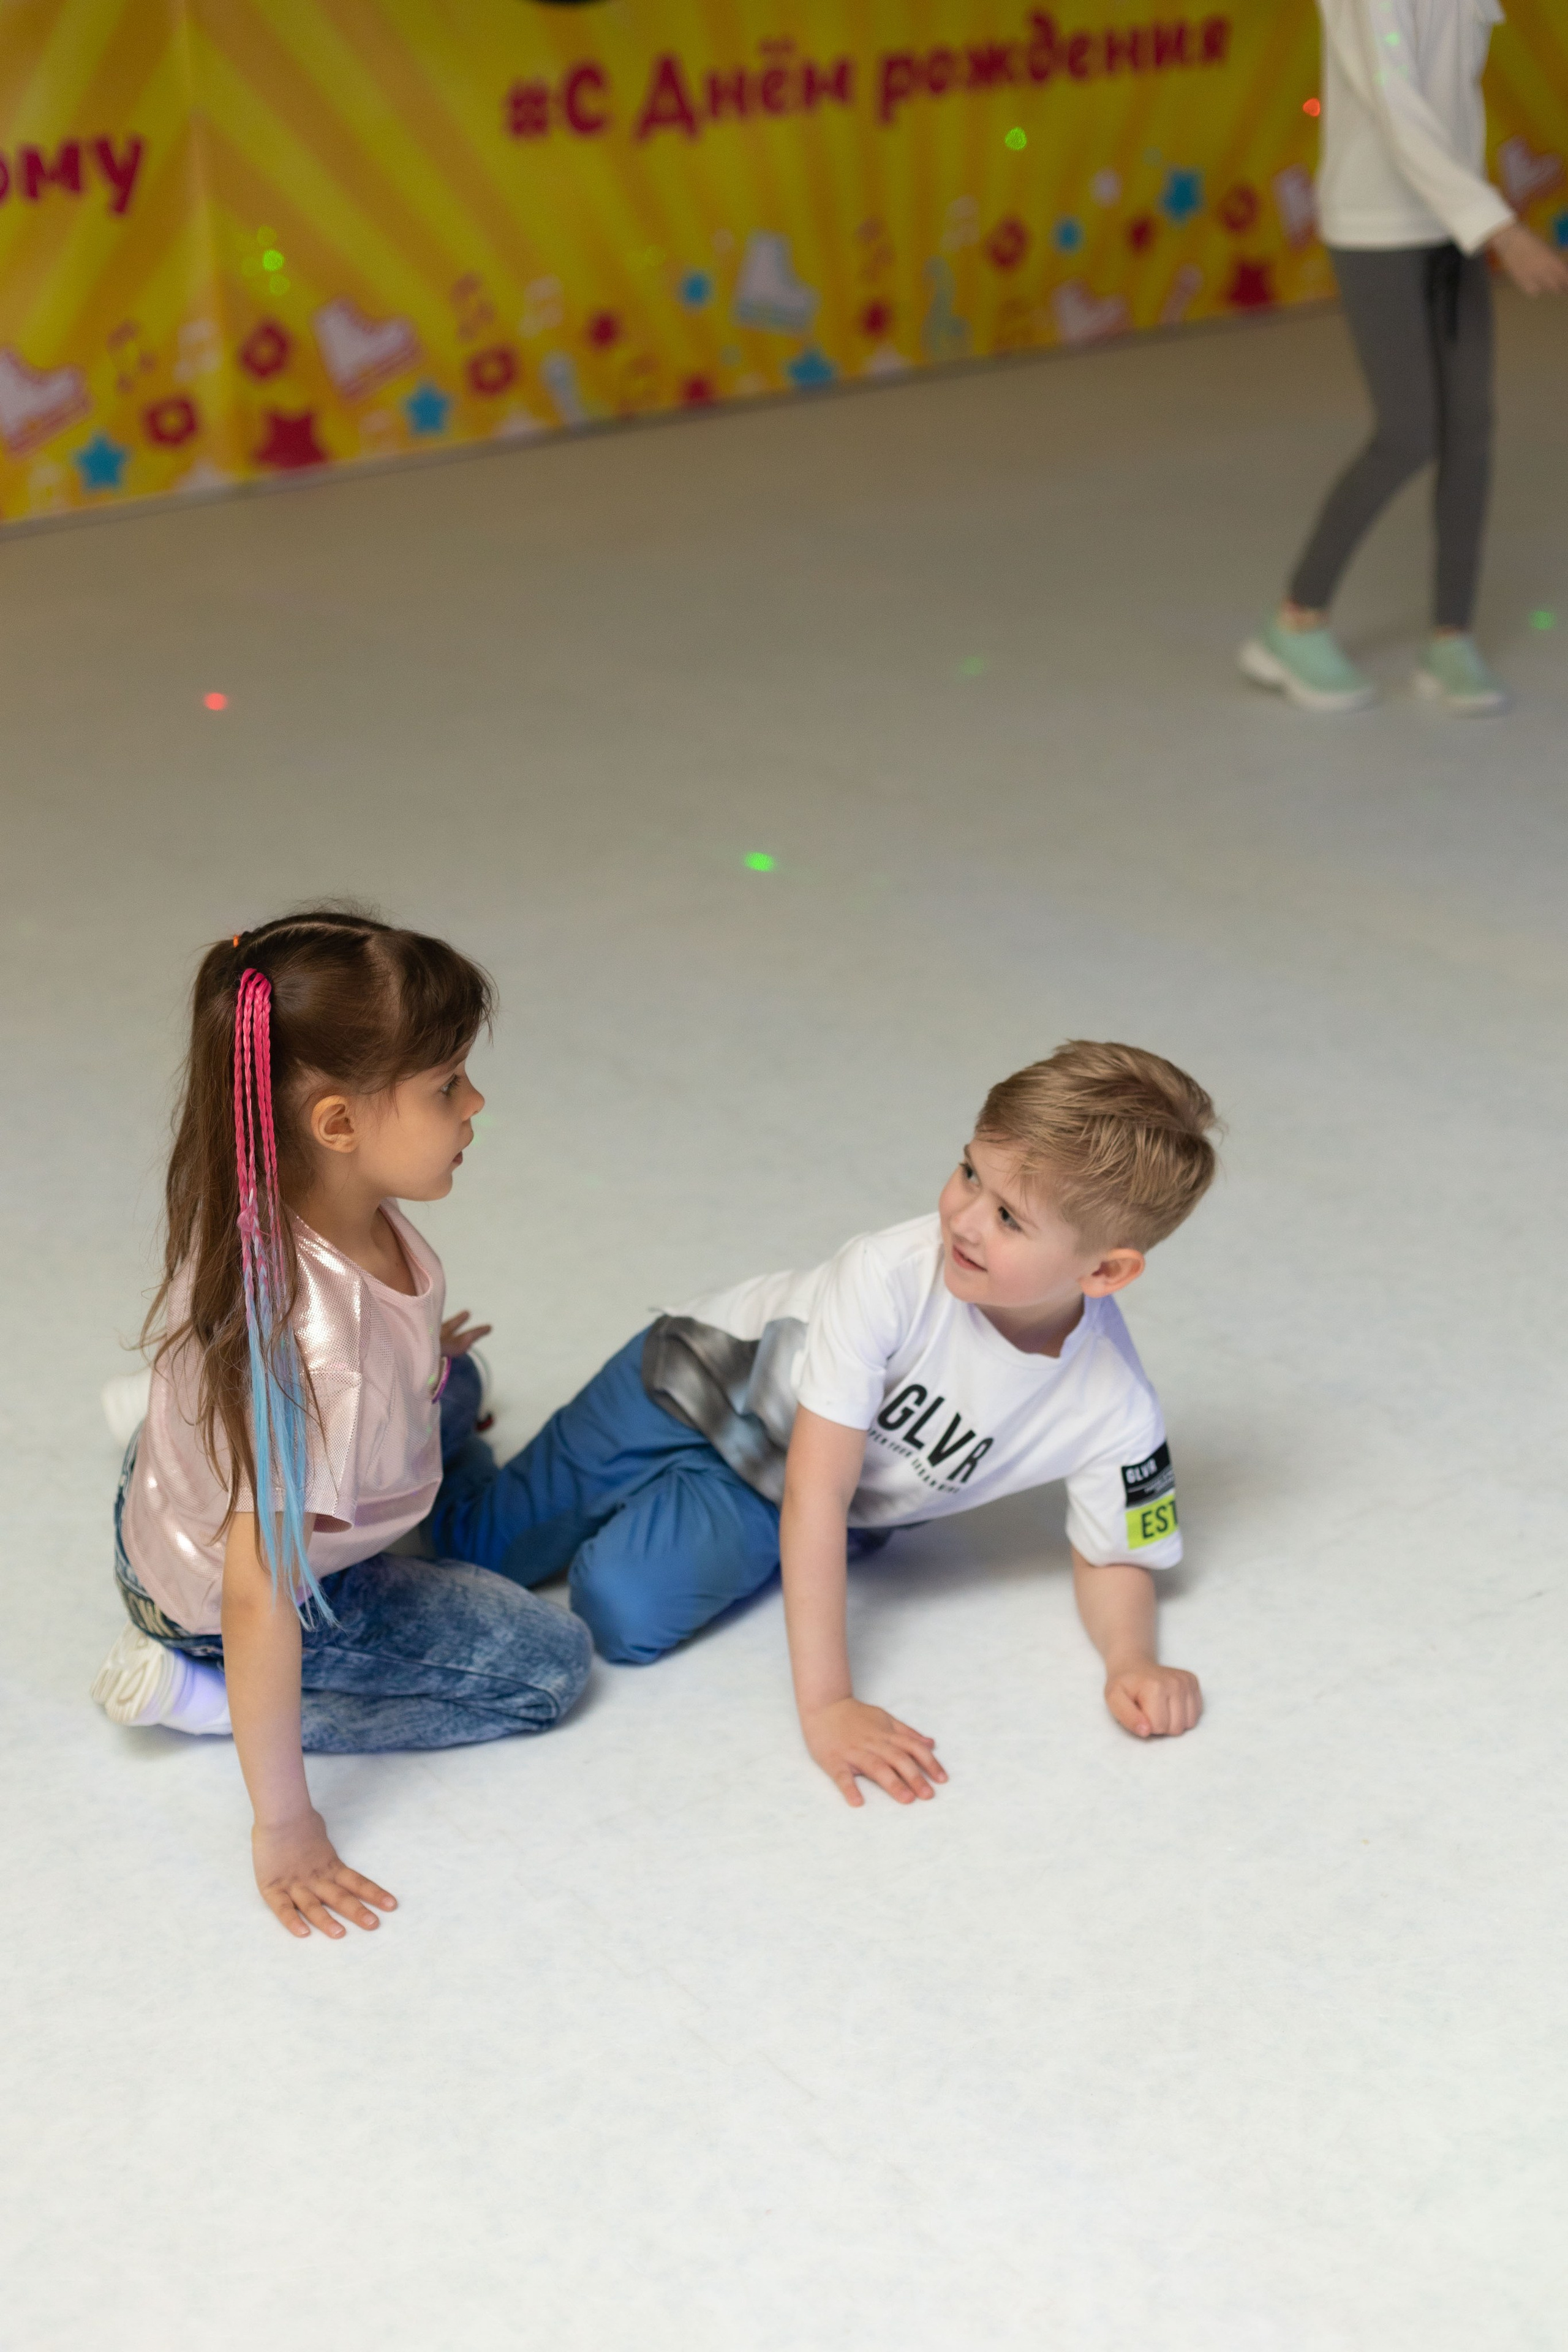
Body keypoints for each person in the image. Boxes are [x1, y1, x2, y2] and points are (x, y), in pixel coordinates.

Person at [432, 1041, 1216, 1806]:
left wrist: (1132, 1661)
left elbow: (1115, 1555)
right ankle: (446, 1386)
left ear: (1105, 1271)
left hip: (773, 1487)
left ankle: (668, 1502)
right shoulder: (887, 1273)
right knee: (472, 1549)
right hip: (687, 1382)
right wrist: (828, 1704)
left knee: (620, 1616)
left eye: (1010, 1217)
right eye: (970, 1173)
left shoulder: (1113, 1405)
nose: (964, 1220)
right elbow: (821, 1491)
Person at [90, 910, 590, 1937]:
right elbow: (259, 1595)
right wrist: (285, 1825)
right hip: (225, 1598)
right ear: (337, 1124)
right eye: (447, 1085)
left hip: (197, 1492)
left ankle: (174, 1431)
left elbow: (345, 1351)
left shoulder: (283, 1193)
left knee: (454, 1376)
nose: (475, 1103)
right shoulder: (323, 1363)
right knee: (549, 1666)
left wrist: (419, 1354)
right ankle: (197, 1696)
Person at [1240, 0, 1568, 716]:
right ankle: (1293, 620)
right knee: (1407, 432)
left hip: (1452, 223)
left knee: (1469, 429)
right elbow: (1398, 106)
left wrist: (1476, 220)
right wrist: (1501, 230)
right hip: (1377, 226)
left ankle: (1451, 638)